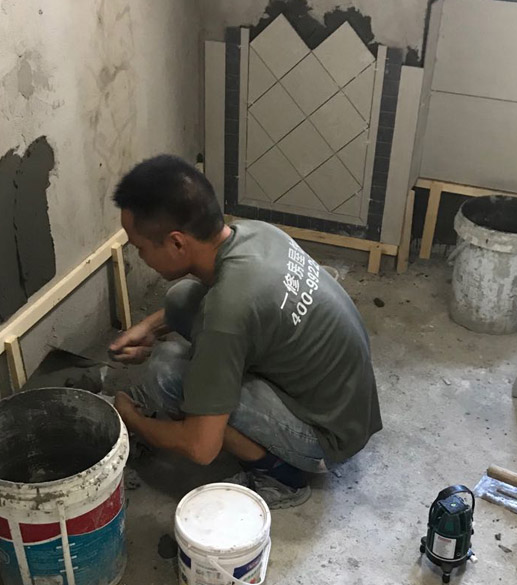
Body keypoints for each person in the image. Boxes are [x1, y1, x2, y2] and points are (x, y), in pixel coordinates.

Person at [109, 155, 382, 509]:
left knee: (168, 371)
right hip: (349, 406)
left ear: (177, 243)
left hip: (327, 440)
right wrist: (148, 328)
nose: (141, 257)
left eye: (141, 248)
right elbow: (223, 310)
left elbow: (201, 447)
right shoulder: (255, 234)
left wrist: (131, 421)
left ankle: (280, 477)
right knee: (181, 299)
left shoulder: (228, 310)